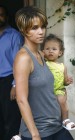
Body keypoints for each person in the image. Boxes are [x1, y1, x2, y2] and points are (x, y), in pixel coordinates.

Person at [13, 6, 74, 140]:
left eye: (43, 26)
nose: (41, 32)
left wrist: (65, 80)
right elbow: (21, 100)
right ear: (23, 30)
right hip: (39, 132)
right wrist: (35, 135)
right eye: (34, 28)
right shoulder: (24, 58)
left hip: (56, 126)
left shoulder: (42, 54)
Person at [41, 34, 75, 131]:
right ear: (43, 52)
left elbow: (64, 81)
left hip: (58, 90)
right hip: (46, 91)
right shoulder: (43, 64)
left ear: (60, 53)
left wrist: (67, 81)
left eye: (54, 49)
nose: (50, 51)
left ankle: (65, 120)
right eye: (47, 48)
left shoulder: (62, 66)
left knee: (62, 101)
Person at [0, 4, 23, 140]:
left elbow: (18, 63)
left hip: (8, 81)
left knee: (10, 119)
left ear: (7, 17)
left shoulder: (15, 36)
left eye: (1, 15)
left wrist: (15, 85)